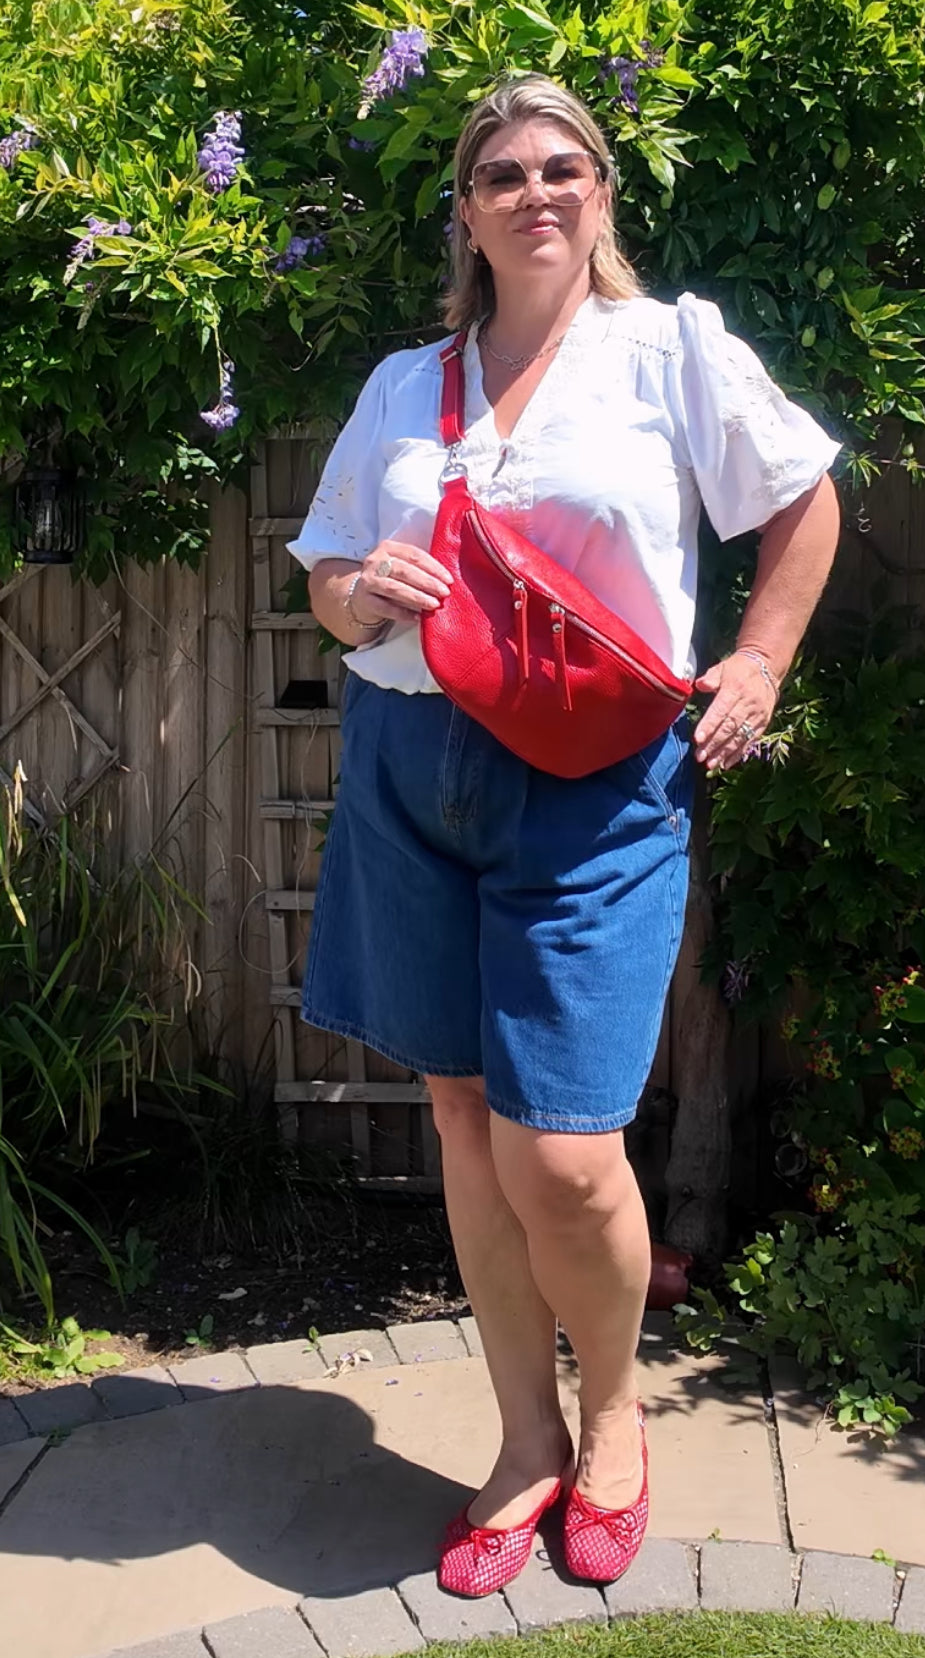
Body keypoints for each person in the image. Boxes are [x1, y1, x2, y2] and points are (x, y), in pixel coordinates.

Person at [289, 74, 840, 1596]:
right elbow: (326, 575)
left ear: (599, 195)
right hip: (409, 762)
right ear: (464, 213)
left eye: (563, 168)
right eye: (502, 175)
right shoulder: (408, 382)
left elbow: (802, 503)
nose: (536, 191)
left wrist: (762, 662)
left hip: (592, 786)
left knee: (567, 1143)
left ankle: (613, 1419)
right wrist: (358, 593)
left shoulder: (670, 351)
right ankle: (521, 1435)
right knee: (462, 1117)